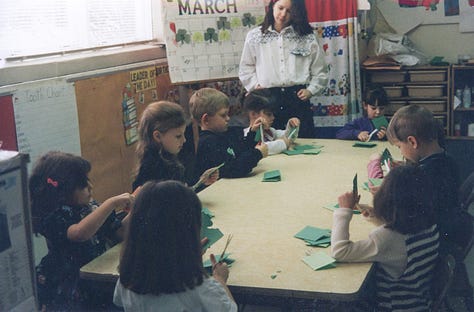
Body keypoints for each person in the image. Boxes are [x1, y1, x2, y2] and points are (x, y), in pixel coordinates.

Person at [29, 151, 134, 310]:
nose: (90, 187)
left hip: (97, 280)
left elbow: (119, 232)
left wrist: (139, 209)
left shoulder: (90, 207)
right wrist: (111, 203)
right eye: (83, 184)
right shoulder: (54, 216)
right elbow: (79, 233)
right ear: (63, 191)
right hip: (71, 287)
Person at [113, 180, 238, 312]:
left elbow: (118, 300)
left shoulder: (127, 279)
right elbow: (230, 309)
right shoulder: (201, 288)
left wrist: (188, 256)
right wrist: (220, 279)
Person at [331, 165, 439, 311]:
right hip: (419, 302)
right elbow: (401, 230)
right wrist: (375, 215)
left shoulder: (387, 238)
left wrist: (344, 211)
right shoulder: (430, 224)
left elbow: (340, 251)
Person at [386, 104, 472, 256]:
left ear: (412, 142)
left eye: (400, 147)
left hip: (431, 246)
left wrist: (386, 192)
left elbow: (405, 215)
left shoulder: (422, 176)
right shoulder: (448, 160)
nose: (401, 153)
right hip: (448, 233)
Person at [239, 0, 328, 138]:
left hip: (296, 99)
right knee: (268, 143)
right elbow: (246, 68)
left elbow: (320, 71)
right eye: (280, 8)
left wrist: (311, 90)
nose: (283, 14)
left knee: (302, 141)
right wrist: (255, 86)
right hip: (267, 100)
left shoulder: (307, 36)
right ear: (272, 6)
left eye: (289, 11)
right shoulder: (254, 36)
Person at [132, 101, 218, 191]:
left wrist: (200, 182)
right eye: (178, 136)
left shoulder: (168, 156)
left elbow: (181, 192)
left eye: (183, 134)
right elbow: (176, 199)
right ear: (157, 136)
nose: (184, 140)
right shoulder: (152, 168)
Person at [189, 87, 268, 180]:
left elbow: (240, 151)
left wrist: (253, 132)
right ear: (206, 119)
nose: (228, 118)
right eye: (223, 115)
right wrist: (257, 154)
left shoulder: (226, 133)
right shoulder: (208, 143)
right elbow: (232, 169)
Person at [242, 88, 300, 155]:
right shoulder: (246, 137)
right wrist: (284, 143)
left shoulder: (270, 132)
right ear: (253, 114)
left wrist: (292, 127)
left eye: (273, 114)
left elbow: (288, 138)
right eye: (268, 114)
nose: (273, 118)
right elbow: (262, 148)